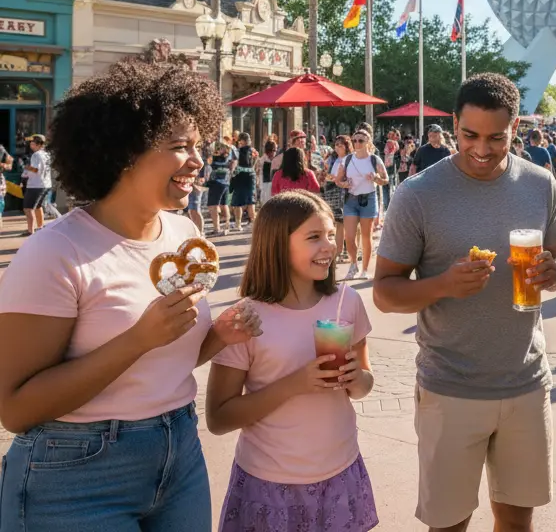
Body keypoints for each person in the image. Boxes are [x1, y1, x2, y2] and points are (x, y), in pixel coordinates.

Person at [0, 59, 261, 530]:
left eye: (197, 145)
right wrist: (138, 338)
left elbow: (160, 363)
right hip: (74, 470)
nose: (198, 161)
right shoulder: (53, 253)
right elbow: (17, 408)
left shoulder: (183, 232)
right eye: (180, 147)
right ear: (123, 153)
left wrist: (217, 335)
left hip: (179, 449)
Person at [373, 73, 556, 532]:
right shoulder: (417, 194)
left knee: (517, 521)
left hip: (526, 381)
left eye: (496, 138)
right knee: (448, 524)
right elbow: (384, 293)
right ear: (454, 125)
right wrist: (443, 284)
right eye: (469, 135)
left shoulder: (539, 183)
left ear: (516, 127)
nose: (481, 149)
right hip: (450, 387)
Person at [207, 190, 377, 531]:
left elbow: (364, 384)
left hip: (340, 471)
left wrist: (357, 379)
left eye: (331, 234)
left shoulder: (346, 302)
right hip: (269, 483)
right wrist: (294, 385)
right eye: (314, 237)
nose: (329, 245)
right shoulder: (246, 318)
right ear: (276, 244)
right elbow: (219, 417)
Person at [333, 130, 387, 281]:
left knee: (366, 236)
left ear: (368, 143)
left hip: (368, 199)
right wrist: (344, 183)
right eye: (355, 140)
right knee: (349, 237)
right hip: (351, 199)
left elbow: (385, 179)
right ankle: (353, 264)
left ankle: (364, 269)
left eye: (360, 141)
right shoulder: (348, 160)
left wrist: (376, 178)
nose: (357, 143)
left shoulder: (374, 160)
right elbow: (337, 180)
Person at [21, 133, 50, 234]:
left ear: (38, 144)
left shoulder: (36, 155)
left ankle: (30, 231)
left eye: (32, 143)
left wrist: (24, 166)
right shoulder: (47, 154)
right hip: (46, 184)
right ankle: (40, 228)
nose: (30, 145)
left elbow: (35, 169)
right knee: (38, 207)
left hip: (36, 185)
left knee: (28, 209)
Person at [230, 132, 258, 230]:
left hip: (240, 176)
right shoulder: (254, 151)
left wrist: (232, 173)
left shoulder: (238, 151)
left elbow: (235, 164)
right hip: (251, 176)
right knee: (251, 201)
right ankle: (254, 223)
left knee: (238, 202)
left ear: (242, 141)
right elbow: (255, 165)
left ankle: (238, 224)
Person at [206, 140, 234, 235]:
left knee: (212, 206)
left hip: (216, 183)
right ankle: (227, 226)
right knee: (224, 204)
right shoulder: (228, 158)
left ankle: (217, 228)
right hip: (225, 183)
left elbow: (208, 159)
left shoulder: (215, 158)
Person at [259, 139, 279, 204]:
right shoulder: (263, 160)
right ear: (270, 151)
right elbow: (261, 174)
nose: (276, 152)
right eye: (275, 150)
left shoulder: (276, 160)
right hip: (266, 186)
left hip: (274, 186)